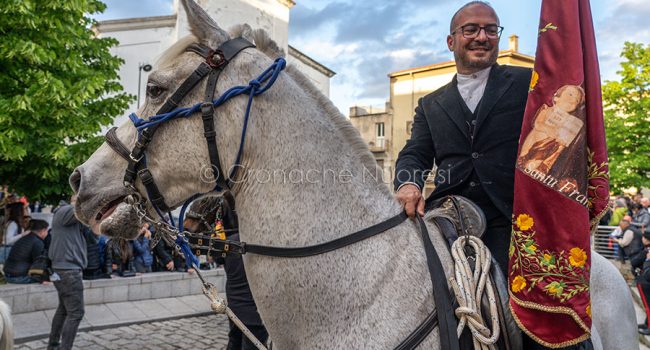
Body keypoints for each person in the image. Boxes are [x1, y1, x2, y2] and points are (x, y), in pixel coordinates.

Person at [394, 1, 531, 278]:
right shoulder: (431, 103)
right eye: (470, 29)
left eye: (491, 30)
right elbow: (416, 154)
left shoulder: (528, 82)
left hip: (515, 218)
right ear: (451, 40)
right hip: (449, 217)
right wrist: (409, 182)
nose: (482, 37)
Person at [47, 196, 87, 350]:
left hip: (64, 270)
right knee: (76, 313)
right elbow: (84, 209)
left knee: (64, 310)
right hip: (68, 272)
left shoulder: (64, 213)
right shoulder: (67, 211)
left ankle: (53, 345)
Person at [3, 219, 49, 284]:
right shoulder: (38, 242)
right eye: (47, 230)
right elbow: (39, 264)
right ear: (43, 231)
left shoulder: (23, 238)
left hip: (8, 275)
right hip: (19, 277)